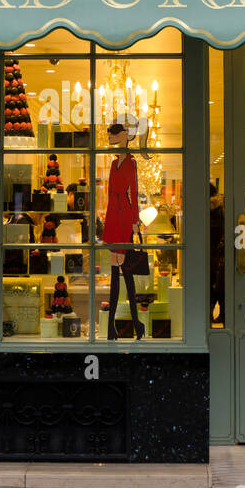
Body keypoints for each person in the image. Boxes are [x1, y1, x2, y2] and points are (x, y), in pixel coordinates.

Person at [101, 122, 144, 340]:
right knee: (118, 273)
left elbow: (134, 192)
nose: (112, 140)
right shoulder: (112, 164)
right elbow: (110, 193)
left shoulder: (131, 163)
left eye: (115, 137)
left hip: (124, 215)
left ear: (125, 137)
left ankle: (124, 325)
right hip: (113, 215)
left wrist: (135, 219)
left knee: (123, 271)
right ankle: (124, 325)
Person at [209, 181, 225, 325]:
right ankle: (223, 315)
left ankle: (209, 313)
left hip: (212, 253)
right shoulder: (221, 209)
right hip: (219, 253)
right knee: (218, 285)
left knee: (212, 285)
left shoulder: (209, 211)